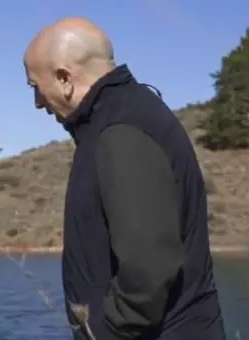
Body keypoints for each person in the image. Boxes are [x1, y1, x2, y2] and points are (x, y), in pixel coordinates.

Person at [22, 18, 226, 339]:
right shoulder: (127, 115)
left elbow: (149, 267)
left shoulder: (120, 130)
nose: (37, 103)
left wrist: (109, 331)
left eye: (36, 86)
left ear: (64, 78)